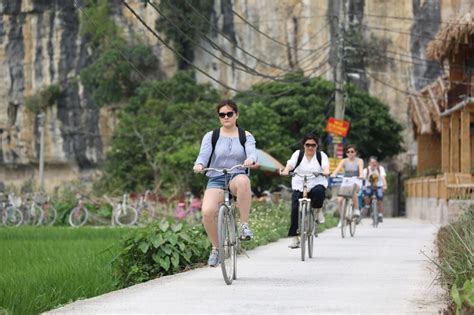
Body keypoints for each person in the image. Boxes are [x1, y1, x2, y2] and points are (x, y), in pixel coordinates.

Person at [193, 99, 257, 267]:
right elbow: (203, 155)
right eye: (222, 114)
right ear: (219, 117)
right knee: (207, 212)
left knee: (244, 181)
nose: (226, 117)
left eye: (229, 114)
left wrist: (250, 159)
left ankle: (244, 226)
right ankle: (216, 248)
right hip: (216, 177)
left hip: (236, 175)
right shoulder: (211, 136)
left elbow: (252, 153)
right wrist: (199, 165)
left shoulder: (246, 136)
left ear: (236, 115)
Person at [280, 134, 330, 249]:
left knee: (319, 192)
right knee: (295, 208)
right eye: (308, 145)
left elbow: (326, 167)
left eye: (313, 145)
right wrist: (287, 170)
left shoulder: (321, 156)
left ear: (317, 146)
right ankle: (294, 238)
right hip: (300, 184)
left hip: (315, 183)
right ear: (304, 145)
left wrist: (326, 171)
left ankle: (317, 210)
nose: (310, 147)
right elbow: (290, 164)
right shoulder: (298, 154)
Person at [331, 144, 364, 226]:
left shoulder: (359, 161)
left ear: (355, 153)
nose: (350, 153)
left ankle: (356, 209)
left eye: (352, 152)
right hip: (346, 181)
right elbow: (337, 169)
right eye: (348, 152)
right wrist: (334, 174)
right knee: (339, 200)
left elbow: (361, 171)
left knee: (353, 190)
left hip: (356, 180)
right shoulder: (344, 161)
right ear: (346, 153)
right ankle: (342, 219)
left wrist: (361, 175)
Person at [363, 156, 387, 222]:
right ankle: (367, 206)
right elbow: (362, 179)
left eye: (375, 162)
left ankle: (380, 215)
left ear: (377, 163)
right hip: (369, 186)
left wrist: (385, 185)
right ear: (369, 163)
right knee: (366, 195)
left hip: (379, 186)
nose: (373, 164)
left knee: (380, 199)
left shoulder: (380, 169)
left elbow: (383, 177)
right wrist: (362, 186)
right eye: (372, 162)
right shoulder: (366, 170)